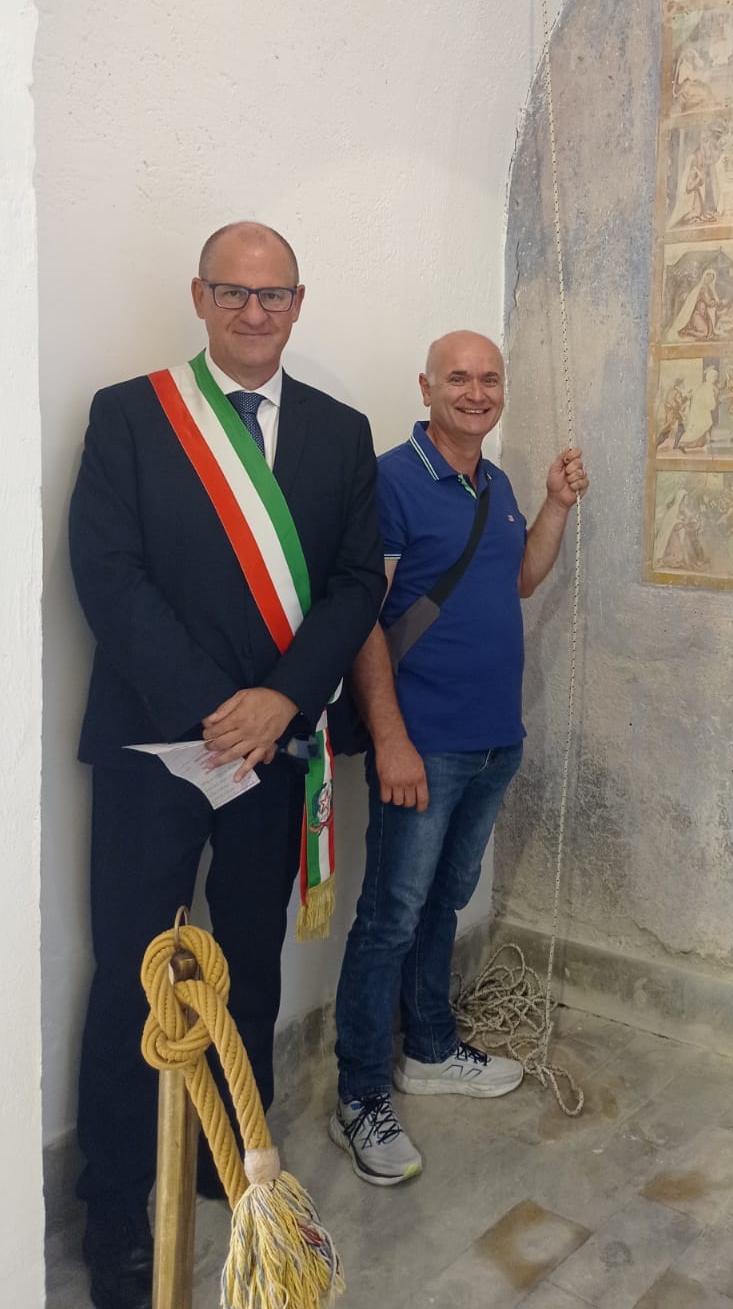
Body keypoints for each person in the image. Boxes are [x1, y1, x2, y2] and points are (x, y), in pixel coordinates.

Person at [69, 222, 385, 1309]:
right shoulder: (131, 414)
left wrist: (281, 700)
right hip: (157, 749)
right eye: (234, 293)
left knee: (246, 959)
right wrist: (217, 706)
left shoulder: (341, 431)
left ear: (299, 302)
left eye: (274, 295)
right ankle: (116, 1206)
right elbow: (107, 575)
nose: (256, 313)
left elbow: (356, 584)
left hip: (275, 752)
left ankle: (229, 1157)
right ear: (200, 297)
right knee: (136, 976)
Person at [330, 331, 587, 1185]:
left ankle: (431, 1049)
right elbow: (363, 618)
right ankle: (359, 1093)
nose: (476, 392)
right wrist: (393, 739)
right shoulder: (391, 480)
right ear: (426, 387)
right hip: (424, 746)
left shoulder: (494, 483)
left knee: (442, 902)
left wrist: (554, 505)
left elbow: (519, 579)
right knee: (389, 919)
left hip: (492, 740)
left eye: (489, 379)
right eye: (458, 379)